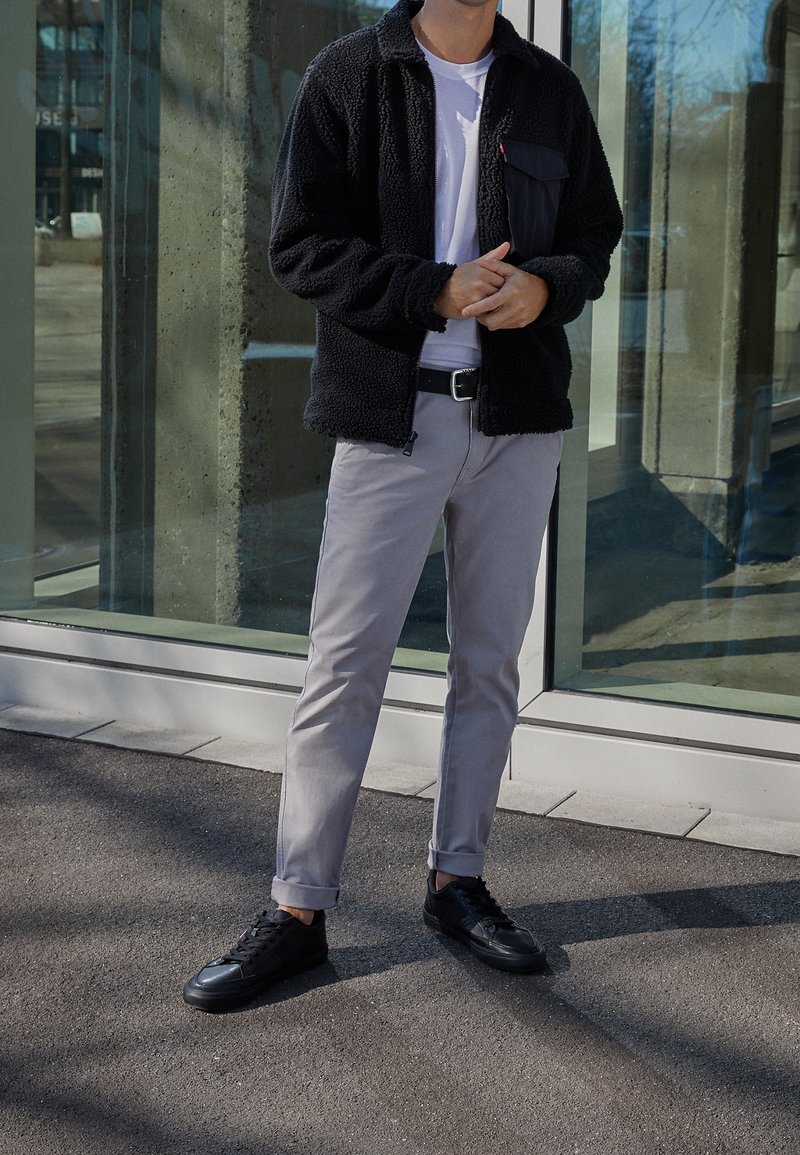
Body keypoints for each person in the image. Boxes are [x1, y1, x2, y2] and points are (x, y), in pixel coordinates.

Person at [183, 0, 622, 1012]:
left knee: (488, 665)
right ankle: (296, 911)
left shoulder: (547, 88)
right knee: (343, 666)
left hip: (516, 423)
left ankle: (457, 884)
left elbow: (593, 237)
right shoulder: (348, 74)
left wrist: (546, 289)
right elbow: (300, 247)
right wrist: (433, 289)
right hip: (391, 424)